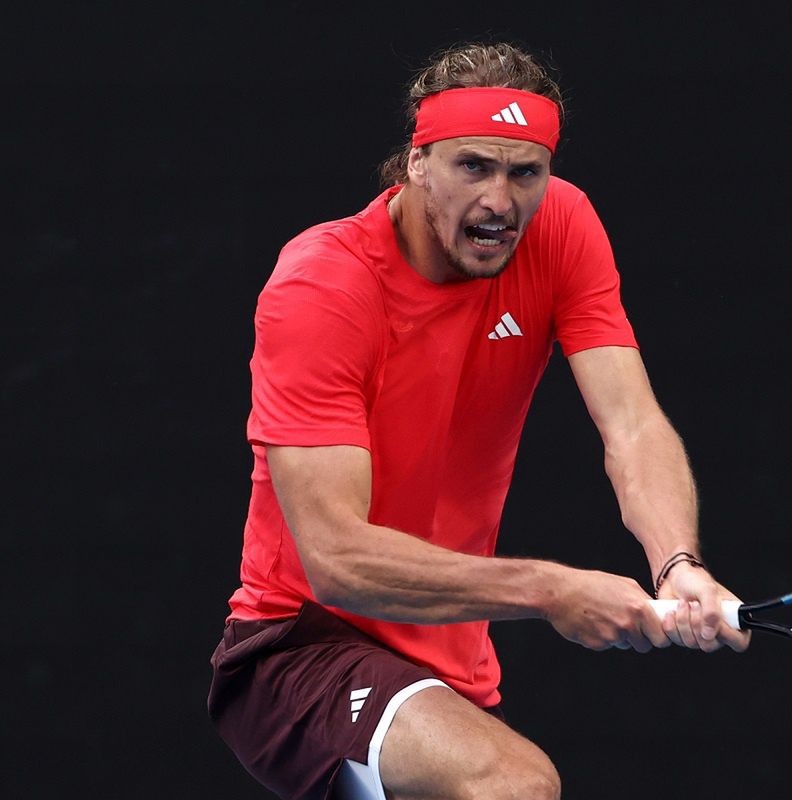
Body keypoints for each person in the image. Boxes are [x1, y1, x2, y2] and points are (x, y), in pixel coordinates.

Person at [208, 41, 750, 800]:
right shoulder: (323, 286)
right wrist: (548, 588)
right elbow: (336, 557)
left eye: (525, 173)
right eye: (474, 167)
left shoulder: (562, 227)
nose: (501, 200)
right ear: (416, 162)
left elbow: (631, 424)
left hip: (448, 666)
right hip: (299, 648)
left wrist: (677, 564)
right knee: (514, 784)